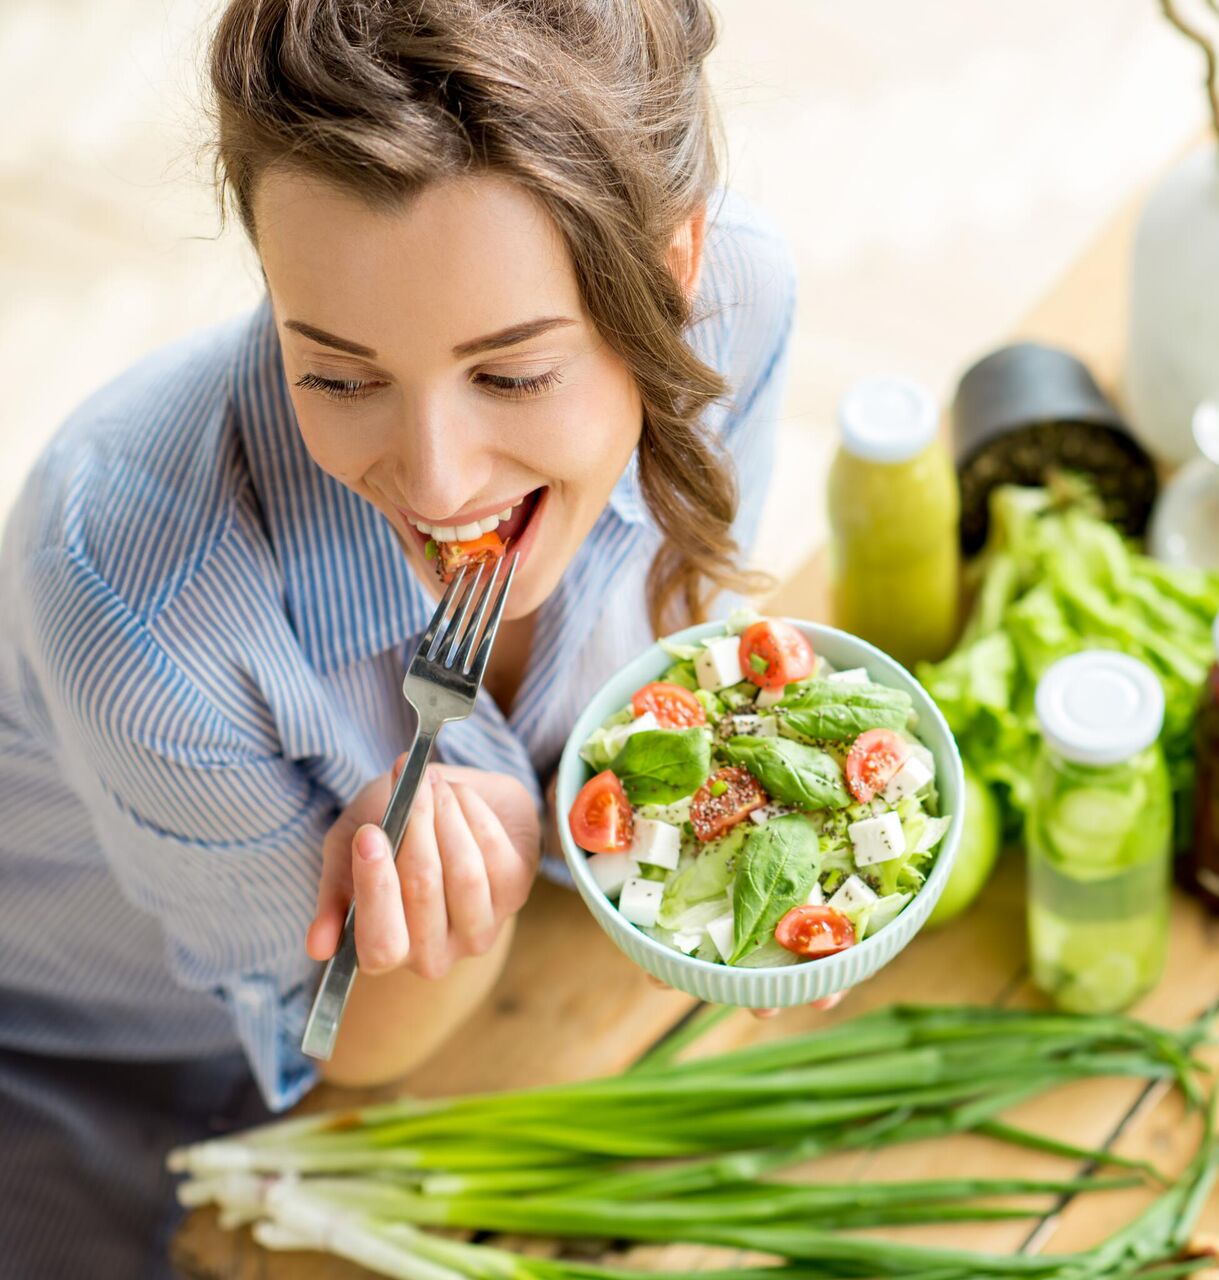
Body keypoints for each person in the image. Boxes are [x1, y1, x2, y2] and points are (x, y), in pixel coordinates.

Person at [0, 0, 821, 1273]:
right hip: (96, 1076)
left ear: (671, 270)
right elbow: (344, 1039)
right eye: (334, 372)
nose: (436, 482)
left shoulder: (739, 304)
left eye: (511, 375)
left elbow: (671, 684)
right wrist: (448, 909)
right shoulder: (126, 590)